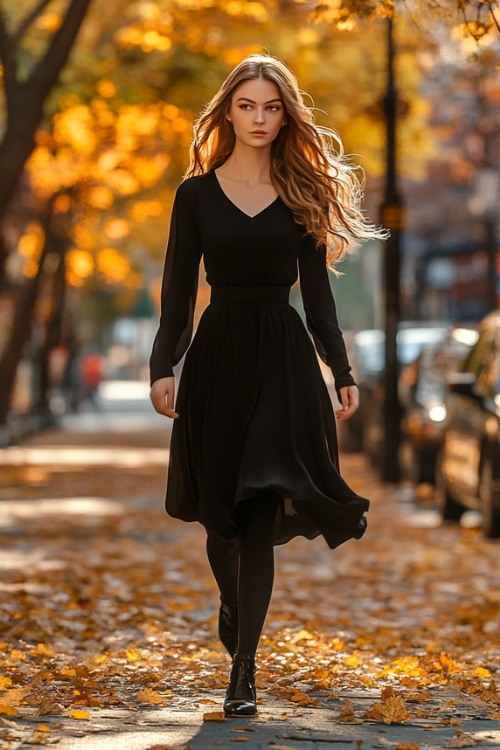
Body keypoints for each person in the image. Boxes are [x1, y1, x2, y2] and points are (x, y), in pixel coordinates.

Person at [150, 53, 387, 717]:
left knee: (257, 512)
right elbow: (176, 295)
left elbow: (318, 300)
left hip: (283, 363)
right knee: (221, 520)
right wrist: (161, 366)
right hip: (218, 358)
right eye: (248, 105)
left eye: (272, 106)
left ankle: (243, 670)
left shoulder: (303, 190)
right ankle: (233, 601)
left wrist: (342, 372)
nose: (260, 118)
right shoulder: (193, 196)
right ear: (228, 111)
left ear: (287, 115)